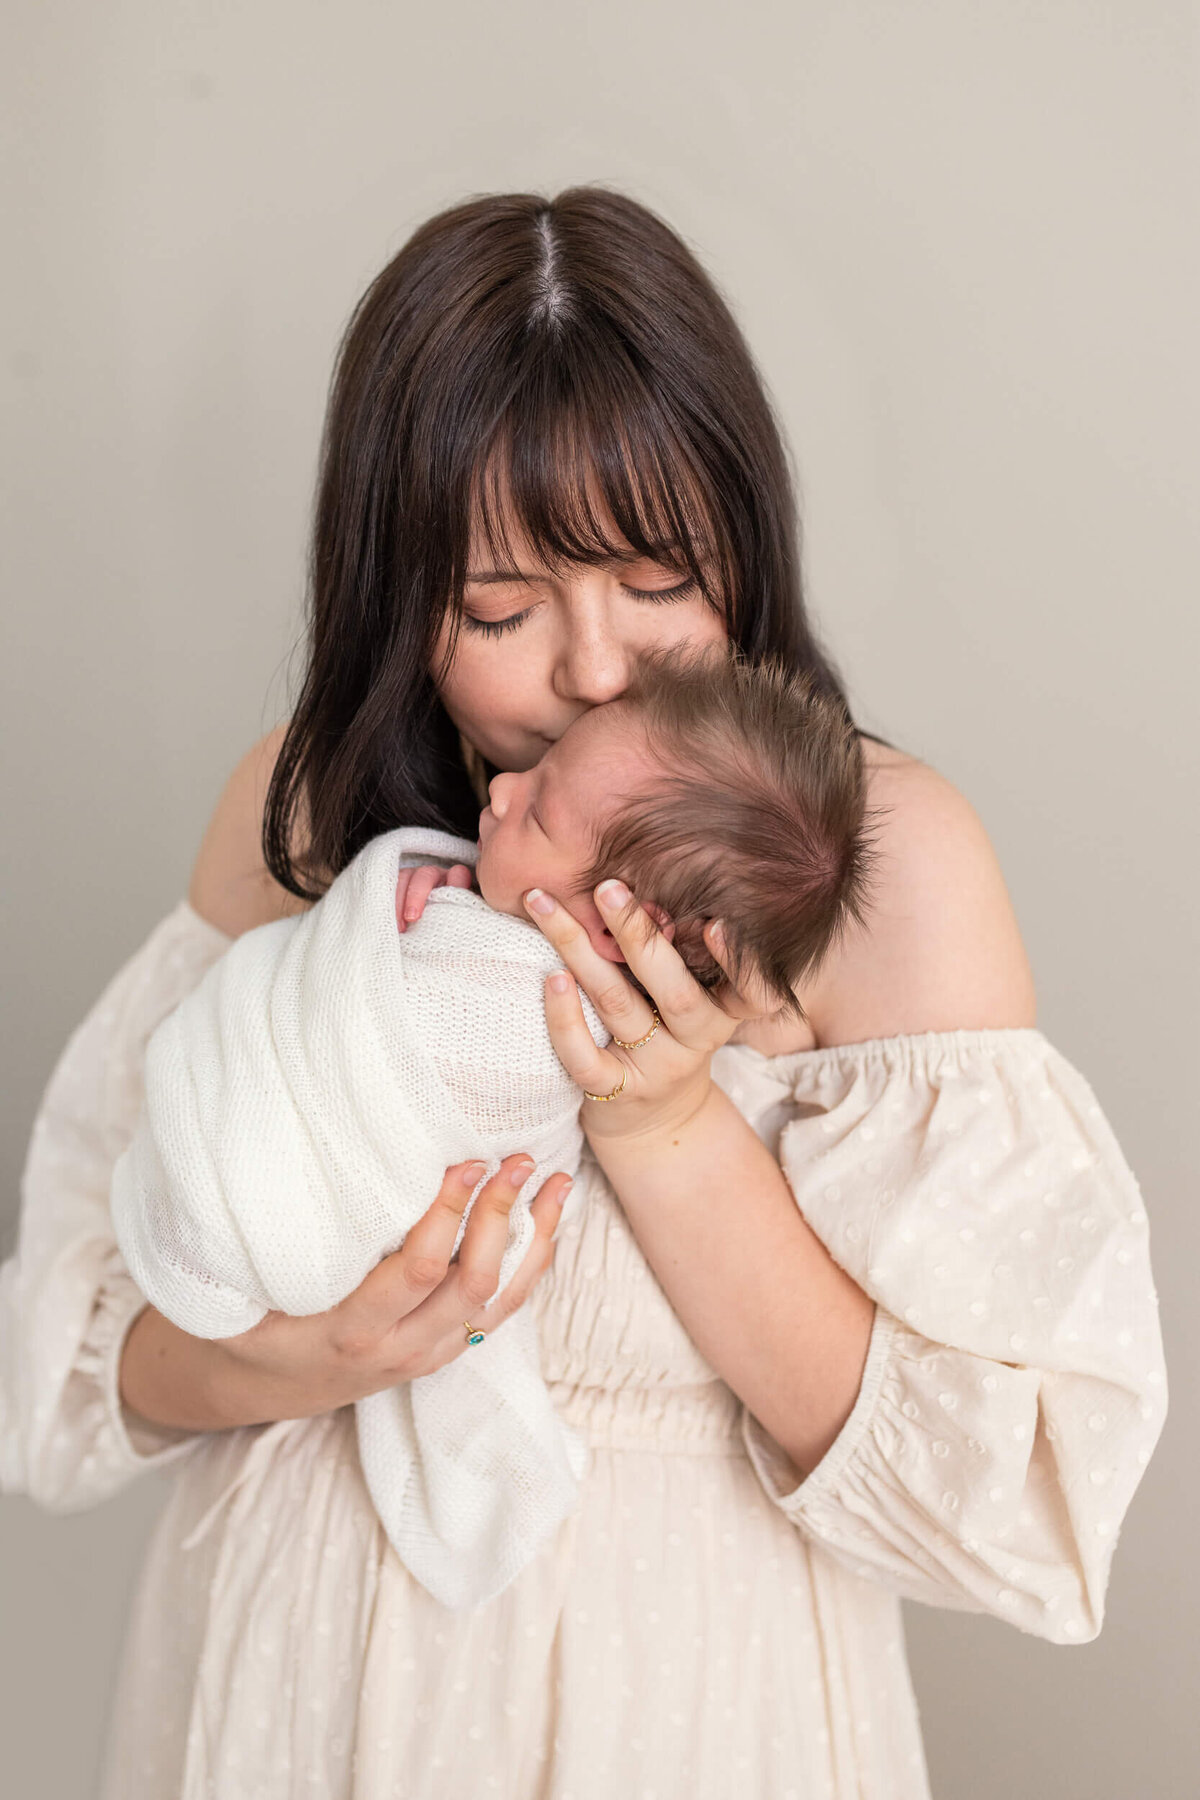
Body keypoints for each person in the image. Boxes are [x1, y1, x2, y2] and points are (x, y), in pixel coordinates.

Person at [0, 187, 1166, 1799]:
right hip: (285, 1689)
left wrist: (670, 1123)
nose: (596, 670)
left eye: (659, 582)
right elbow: (67, 1356)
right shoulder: (301, 815)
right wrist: (303, 1359)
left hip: (679, 1708)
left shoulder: (874, 867)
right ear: (397, 602)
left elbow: (1014, 1515)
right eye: (500, 610)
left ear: (746, 547)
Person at [107, 643, 872, 1612]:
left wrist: (398, 944)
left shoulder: (549, 1017)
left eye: (542, 808)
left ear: (611, 932)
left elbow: (441, 1050)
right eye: (500, 604)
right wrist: (410, 909)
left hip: (652, 1609)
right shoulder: (352, 814)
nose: (507, 789)